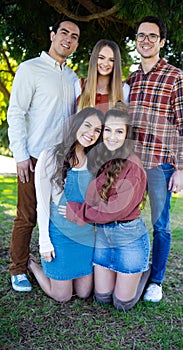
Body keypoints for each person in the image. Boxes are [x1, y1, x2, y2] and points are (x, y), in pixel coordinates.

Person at [7, 18, 80, 292]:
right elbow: (15, 113)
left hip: (62, 161)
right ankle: (18, 269)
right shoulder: (30, 69)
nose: (68, 39)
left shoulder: (72, 77)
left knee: (59, 214)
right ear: (52, 35)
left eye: (74, 36)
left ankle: (55, 262)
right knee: (27, 215)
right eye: (64, 32)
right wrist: (21, 155)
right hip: (34, 157)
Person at [126, 16, 183, 302]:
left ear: (162, 41)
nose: (145, 40)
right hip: (131, 165)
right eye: (141, 35)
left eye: (152, 36)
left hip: (160, 165)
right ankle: (132, 270)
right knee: (128, 218)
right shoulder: (131, 79)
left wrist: (182, 168)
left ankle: (156, 280)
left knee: (161, 225)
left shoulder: (175, 77)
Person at [59, 102, 151, 311]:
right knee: (101, 298)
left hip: (129, 237)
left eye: (119, 131)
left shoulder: (133, 165)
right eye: (107, 130)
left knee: (122, 304)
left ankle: (144, 271)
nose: (112, 136)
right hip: (103, 234)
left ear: (127, 135)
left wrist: (78, 211)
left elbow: (115, 210)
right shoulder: (104, 159)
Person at [27, 107, 104, 302]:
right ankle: (32, 266)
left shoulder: (95, 160)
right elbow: (42, 204)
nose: (92, 133)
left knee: (84, 292)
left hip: (84, 235)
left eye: (97, 130)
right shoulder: (51, 155)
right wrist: (44, 241)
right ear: (76, 125)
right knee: (62, 296)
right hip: (59, 235)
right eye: (87, 126)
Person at [76, 39, 129, 114]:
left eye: (111, 60)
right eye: (101, 58)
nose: (105, 63)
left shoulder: (124, 89)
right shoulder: (80, 85)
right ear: (94, 58)